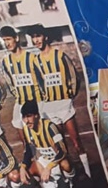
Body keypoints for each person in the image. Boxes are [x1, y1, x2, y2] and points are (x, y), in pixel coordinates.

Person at [28, 25, 91, 175]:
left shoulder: (60, 56)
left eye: (38, 36)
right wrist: (43, 101)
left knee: (76, 142)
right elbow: (36, 84)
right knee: (60, 145)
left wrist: (70, 95)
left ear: (45, 37)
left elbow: (74, 76)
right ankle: (71, 176)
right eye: (33, 37)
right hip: (49, 108)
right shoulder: (35, 61)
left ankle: (88, 173)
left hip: (64, 106)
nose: (36, 40)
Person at [19, 100, 78, 188]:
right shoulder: (27, 130)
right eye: (24, 117)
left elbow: (63, 150)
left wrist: (49, 167)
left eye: (29, 116)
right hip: (45, 159)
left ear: (37, 115)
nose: (26, 121)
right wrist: (23, 167)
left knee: (66, 164)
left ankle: (72, 183)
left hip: (57, 160)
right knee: (27, 171)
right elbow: (28, 151)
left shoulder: (50, 127)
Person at [0, 25, 44, 130]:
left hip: (37, 100)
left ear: (16, 38)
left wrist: (42, 96)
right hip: (20, 101)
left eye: (9, 39)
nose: (7, 43)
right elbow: (9, 83)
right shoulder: (6, 61)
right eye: (4, 40)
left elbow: (42, 80)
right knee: (18, 125)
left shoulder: (32, 58)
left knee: (42, 129)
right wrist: (17, 95)